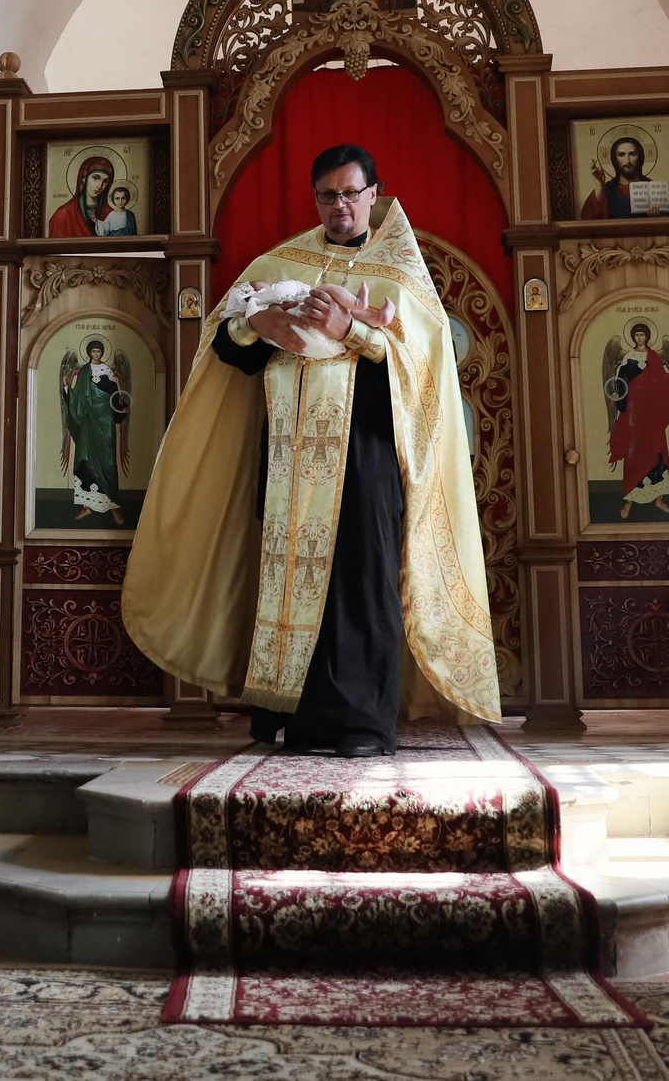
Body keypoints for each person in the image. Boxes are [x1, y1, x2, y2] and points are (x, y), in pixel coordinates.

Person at [123, 144, 499, 757]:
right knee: (286, 580)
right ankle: (290, 713)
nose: (340, 206)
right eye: (328, 195)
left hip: (366, 458)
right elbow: (227, 348)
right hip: (287, 459)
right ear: (316, 198)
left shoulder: (401, 275)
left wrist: (349, 331)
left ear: (374, 196)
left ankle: (360, 725)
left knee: (358, 583)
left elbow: (423, 371)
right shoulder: (280, 262)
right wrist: (254, 325)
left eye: (352, 194)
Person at [606, 321, 669, 517]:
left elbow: (665, 384)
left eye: (642, 335)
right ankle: (628, 503)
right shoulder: (628, 358)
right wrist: (617, 399)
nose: (639, 338)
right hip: (634, 415)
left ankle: (659, 500)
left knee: (657, 454)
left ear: (647, 336)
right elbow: (620, 384)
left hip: (652, 414)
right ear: (633, 337)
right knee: (634, 455)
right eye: (636, 335)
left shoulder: (654, 357)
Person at [61, 338, 131, 521]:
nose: (96, 354)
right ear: (89, 353)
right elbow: (77, 399)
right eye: (93, 351)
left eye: (99, 351)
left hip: (105, 421)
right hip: (87, 422)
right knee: (86, 461)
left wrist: (121, 408)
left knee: (108, 462)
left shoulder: (108, 371)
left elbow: (115, 396)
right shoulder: (84, 371)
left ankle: (112, 505)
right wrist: (67, 389)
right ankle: (87, 505)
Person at [581, 135, 669, 218]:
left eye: (632, 154)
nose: (627, 161)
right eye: (621, 155)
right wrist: (600, 185)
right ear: (615, 159)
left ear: (640, 157)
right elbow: (588, 220)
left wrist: (661, 217)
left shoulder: (655, 189)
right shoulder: (608, 190)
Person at [47, 156, 116, 237]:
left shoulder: (111, 214)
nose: (99, 186)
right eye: (95, 178)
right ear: (84, 178)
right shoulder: (64, 214)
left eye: (105, 181)